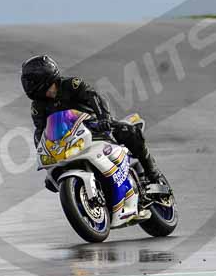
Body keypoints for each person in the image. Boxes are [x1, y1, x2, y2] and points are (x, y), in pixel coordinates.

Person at [20, 55, 163, 184]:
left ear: (44, 77)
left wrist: (104, 119)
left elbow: (94, 96)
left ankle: (153, 174)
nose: (28, 86)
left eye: (30, 81)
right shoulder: (38, 106)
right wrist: (44, 153)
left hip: (96, 127)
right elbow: (41, 131)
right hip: (69, 140)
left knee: (130, 132)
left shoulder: (71, 84)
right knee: (50, 181)